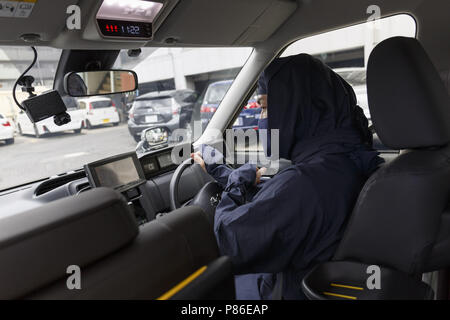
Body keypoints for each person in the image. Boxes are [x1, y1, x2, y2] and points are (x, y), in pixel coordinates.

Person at [191, 53, 384, 299]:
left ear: (295, 107)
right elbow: (279, 208)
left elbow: (228, 244)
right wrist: (222, 172)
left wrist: (238, 181)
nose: (262, 121)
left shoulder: (306, 183)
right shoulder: (347, 159)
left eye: (264, 108)